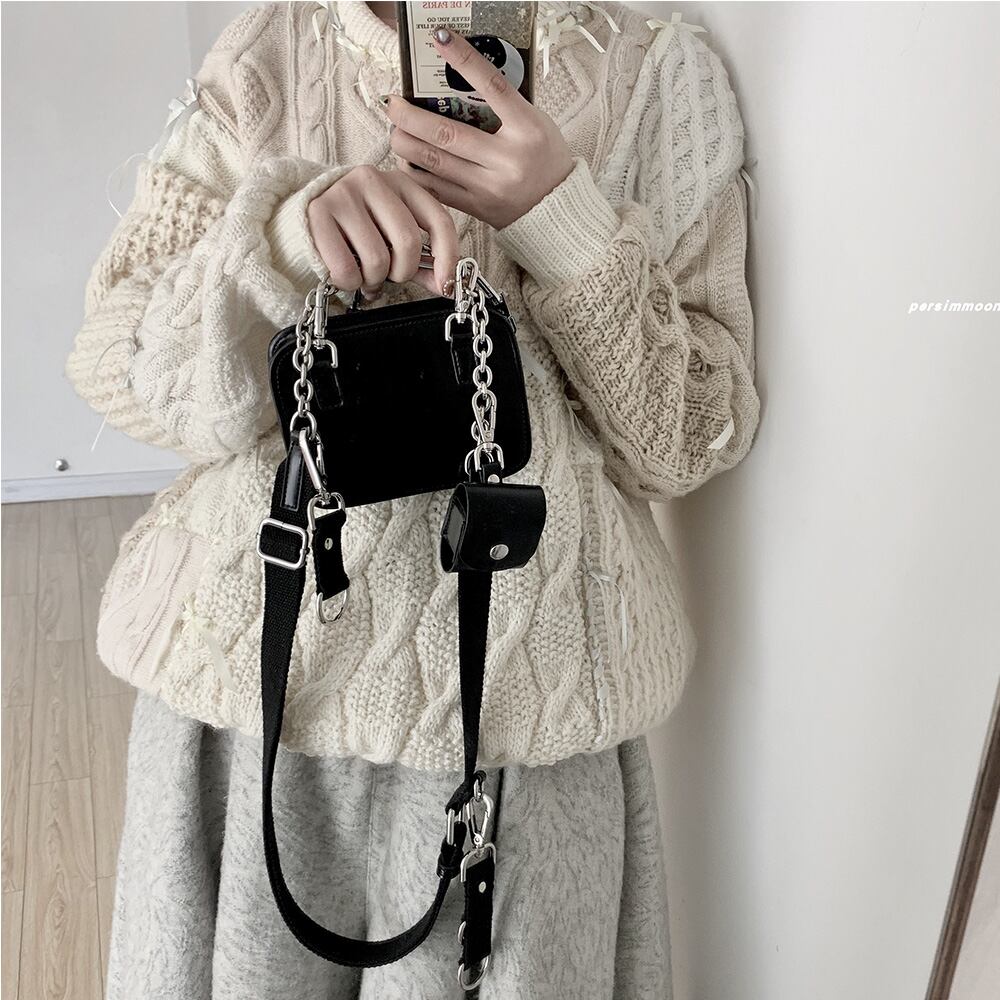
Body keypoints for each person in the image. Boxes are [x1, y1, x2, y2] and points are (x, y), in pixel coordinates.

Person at [65, 2, 760, 997]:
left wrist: (559, 217)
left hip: (531, 722)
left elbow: (689, 438)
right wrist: (283, 242)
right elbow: (116, 360)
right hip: (253, 689)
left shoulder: (653, 70)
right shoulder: (275, 46)